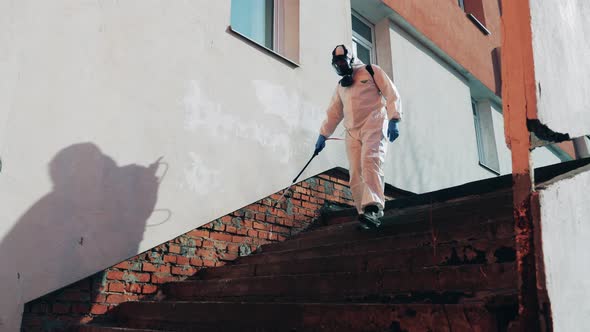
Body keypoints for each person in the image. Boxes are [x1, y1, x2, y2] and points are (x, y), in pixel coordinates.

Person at [314, 44, 402, 230]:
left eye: (342, 61)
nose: (340, 66)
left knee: (370, 162)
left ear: (350, 60)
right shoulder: (340, 87)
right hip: (352, 132)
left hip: (374, 124)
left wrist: (394, 119)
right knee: (355, 171)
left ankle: (374, 208)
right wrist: (323, 135)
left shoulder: (371, 71)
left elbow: (391, 93)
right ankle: (363, 212)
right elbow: (334, 113)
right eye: (336, 63)